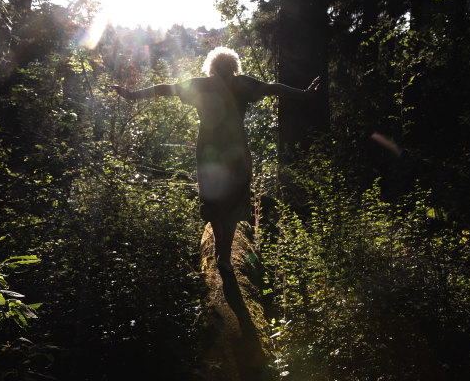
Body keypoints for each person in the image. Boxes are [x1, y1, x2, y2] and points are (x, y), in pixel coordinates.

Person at [112, 47, 319, 272]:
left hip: (213, 151)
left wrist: (132, 95)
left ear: (214, 67)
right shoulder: (239, 84)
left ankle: (223, 253)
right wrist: (303, 93)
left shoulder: (206, 84)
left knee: (217, 199)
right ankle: (224, 254)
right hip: (233, 150)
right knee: (227, 199)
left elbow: (167, 89)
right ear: (233, 66)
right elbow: (271, 89)